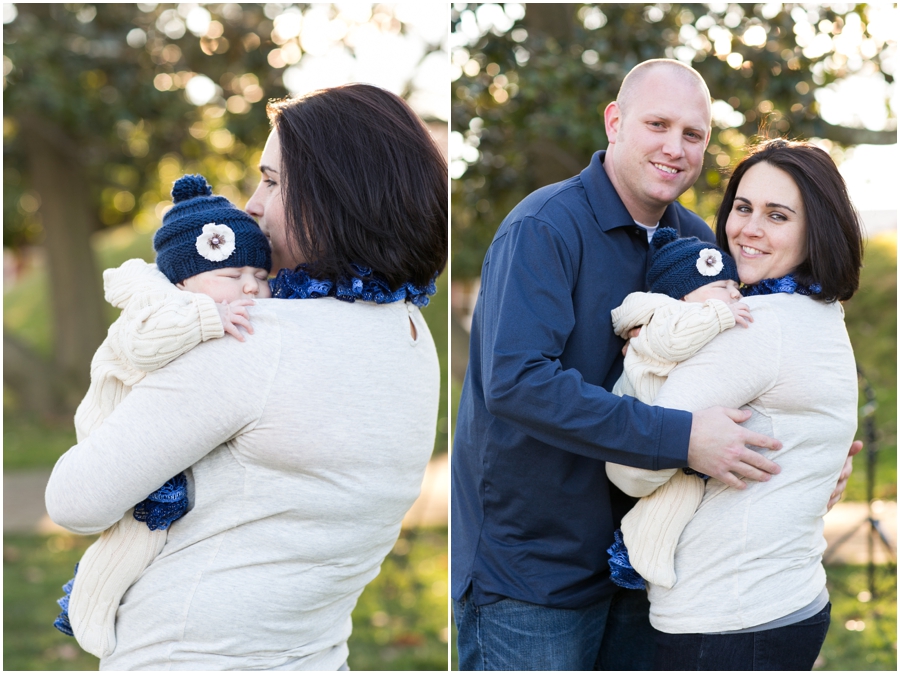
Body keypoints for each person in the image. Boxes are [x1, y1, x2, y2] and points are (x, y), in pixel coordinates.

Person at [451, 58, 859, 671]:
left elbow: (757, 363)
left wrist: (808, 456)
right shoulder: (544, 228)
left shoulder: (700, 244)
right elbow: (517, 383)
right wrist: (683, 439)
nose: (675, 147)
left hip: (646, 570)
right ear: (615, 122)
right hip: (534, 575)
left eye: (692, 135)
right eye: (657, 125)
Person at [45, 82, 447, 670]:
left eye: (275, 181)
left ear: (342, 195)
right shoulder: (411, 332)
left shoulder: (254, 337)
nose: (252, 204)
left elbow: (75, 499)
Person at [642, 138, 863, 670]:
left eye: (778, 215)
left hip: (728, 621)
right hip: (785, 602)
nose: (749, 229)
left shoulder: (759, 325)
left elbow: (630, 469)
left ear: (817, 230)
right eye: (743, 207)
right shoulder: (820, 314)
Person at [53, 173, 272, 658]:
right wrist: (206, 319)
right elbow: (143, 347)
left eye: (260, 277)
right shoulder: (158, 306)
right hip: (110, 429)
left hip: (156, 436)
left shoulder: (208, 305)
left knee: (155, 538)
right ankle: (88, 606)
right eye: (233, 277)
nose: (251, 288)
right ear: (183, 281)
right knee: (137, 533)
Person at [604, 227, 752, 591]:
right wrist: (721, 316)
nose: (733, 294)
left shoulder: (688, 315)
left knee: (683, 495)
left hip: (664, 438)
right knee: (678, 490)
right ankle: (638, 548)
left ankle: (643, 550)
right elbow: (671, 344)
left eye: (735, 287)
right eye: (721, 287)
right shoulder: (660, 315)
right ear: (682, 293)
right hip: (639, 434)